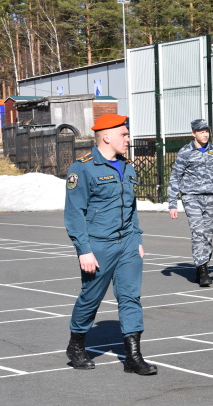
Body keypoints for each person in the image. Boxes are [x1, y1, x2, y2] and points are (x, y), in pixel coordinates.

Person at [64, 113, 156, 375]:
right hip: (98, 245)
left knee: (130, 297)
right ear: (106, 136)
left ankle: (133, 357)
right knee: (90, 298)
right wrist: (84, 251)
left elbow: (131, 208)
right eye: (124, 134)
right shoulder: (82, 168)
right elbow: (74, 215)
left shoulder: (127, 166)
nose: (128, 139)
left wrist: (136, 239)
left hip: (127, 242)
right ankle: (77, 343)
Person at [167, 119, 213, 286]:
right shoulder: (185, 152)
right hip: (191, 196)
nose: (205, 134)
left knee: (208, 235)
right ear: (194, 133)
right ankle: (202, 270)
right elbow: (176, 176)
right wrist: (172, 202)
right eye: (201, 131)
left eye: (207, 131)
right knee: (198, 232)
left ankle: (203, 263)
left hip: (210, 197)